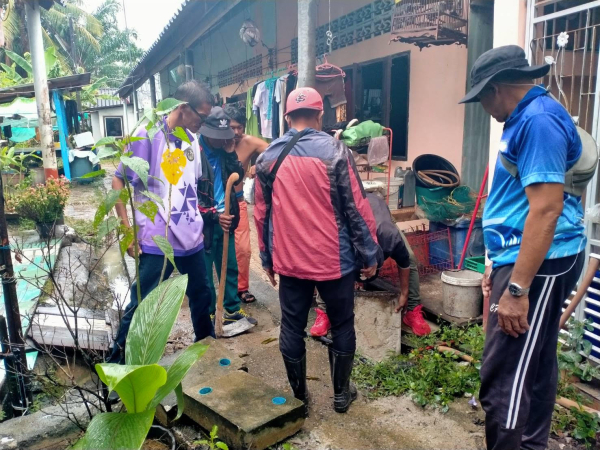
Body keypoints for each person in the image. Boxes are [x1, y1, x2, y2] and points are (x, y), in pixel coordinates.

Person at [460, 45, 585, 450]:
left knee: (505, 374)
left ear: (495, 88)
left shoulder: (538, 120)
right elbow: (519, 200)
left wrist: (516, 289)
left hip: (540, 264)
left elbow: (546, 210)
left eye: (480, 96)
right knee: (535, 360)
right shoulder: (526, 118)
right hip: (526, 258)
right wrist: (497, 262)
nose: (481, 105)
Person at [254, 87, 382, 415]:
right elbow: (356, 208)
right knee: (342, 325)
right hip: (334, 261)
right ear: (320, 115)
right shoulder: (336, 151)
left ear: (286, 117)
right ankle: (341, 396)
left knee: (292, 327)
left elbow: (261, 213)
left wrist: (267, 258)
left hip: (291, 261)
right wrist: (369, 255)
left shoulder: (267, 158)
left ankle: (299, 398)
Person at [108, 80, 215, 364]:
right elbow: (119, 180)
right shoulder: (147, 135)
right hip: (157, 239)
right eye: (201, 117)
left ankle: (208, 352)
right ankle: (117, 369)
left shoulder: (192, 139)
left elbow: (189, 186)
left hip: (191, 237)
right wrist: (127, 232)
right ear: (182, 108)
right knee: (141, 305)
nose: (202, 124)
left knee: (201, 297)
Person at [310, 191, 431, 337]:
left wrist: (405, 293)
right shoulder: (338, 240)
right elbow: (320, 265)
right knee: (326, 263)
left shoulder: (389, 236)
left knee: (410, 257)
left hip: (377, 211)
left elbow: (404, 262)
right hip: (348, 214)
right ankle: (324, 311)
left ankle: (412, 310)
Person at [198, 106, 256, 326]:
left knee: (230, 265)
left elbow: (237, 175)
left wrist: (231, 152)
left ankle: (231, 309)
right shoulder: (194, 152)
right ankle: (212, 313)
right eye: (217, 137)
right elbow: (189, 195)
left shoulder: (224, 149)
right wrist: (213, 215)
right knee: (205, 273)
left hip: (227, 218)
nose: (220, 141)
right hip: (204, 223)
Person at [222, 104, 268, 305]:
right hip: (215, 205)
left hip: (238, 201)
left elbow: (275, 151)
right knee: (217, 249)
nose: (237, 132)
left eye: (240, 127)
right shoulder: (215, 141)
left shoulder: (248, 142)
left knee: (243, 249)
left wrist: (259, 165)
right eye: (232, 127)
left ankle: (241, 288)